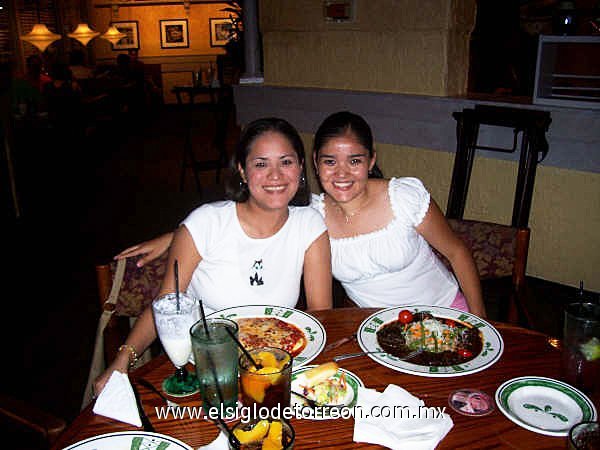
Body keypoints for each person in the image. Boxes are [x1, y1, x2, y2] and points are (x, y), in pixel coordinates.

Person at [116, 112, 485, 318]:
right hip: (379, 328)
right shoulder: (312, 213)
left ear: (371, 160)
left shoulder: (403, 196)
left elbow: (457, 253)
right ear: (315, 165)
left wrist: (483, 322)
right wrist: (177, 236)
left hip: (448, 311)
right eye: (330, 161)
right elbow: (247, 214)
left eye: (355, 160)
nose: (342, 173)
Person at [94, 117, 332, 394]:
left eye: (286, 162)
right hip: (206, 369)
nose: (275, 175)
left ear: (301, 167)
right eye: (261, 164)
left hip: (275, 366)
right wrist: (121, 362)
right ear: (242, 171)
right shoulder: (207, 223)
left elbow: (320, 317)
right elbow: (166, 305)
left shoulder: (310, 224)